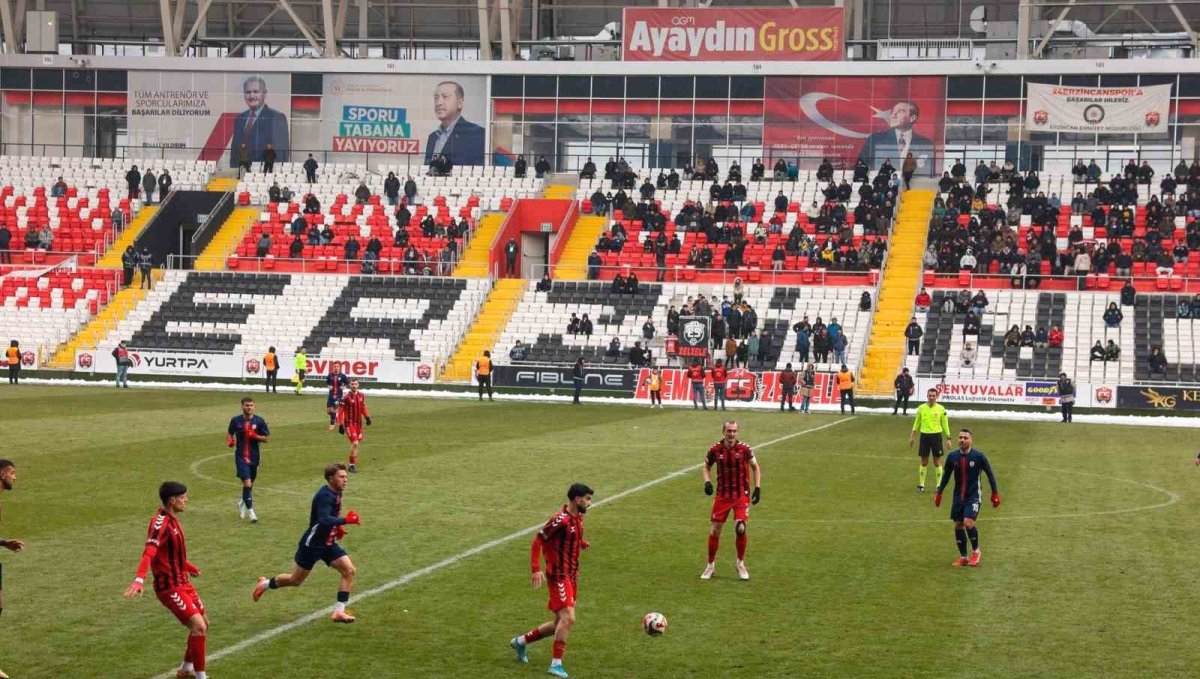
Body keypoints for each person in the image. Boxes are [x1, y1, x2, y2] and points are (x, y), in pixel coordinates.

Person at [252, 464, 361, 624]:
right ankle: (265, 583)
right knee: (295, 580)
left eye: (346, 477)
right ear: (331, 479)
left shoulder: (337, 492)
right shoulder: (325, 495)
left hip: (328, 544)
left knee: (349, 570)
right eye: (341, 477)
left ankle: (339, 612)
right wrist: (345, 520)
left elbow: (331, 515)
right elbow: (323, 519)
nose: (345, 480)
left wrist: (339, 527)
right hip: (313, 544)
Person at [123, 481, 208, 679]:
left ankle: (187, 668)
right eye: (183, 497)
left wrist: (188, 566)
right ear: (172, 500)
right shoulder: (159, 523)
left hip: (183, 582)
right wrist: (138, 580)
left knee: (204, 622)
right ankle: (201, 676)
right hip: (169, 587)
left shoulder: (173, 519)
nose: (186, 500)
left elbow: (170, 554)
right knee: (199, 627)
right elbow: (150, 552)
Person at [510, 483, 594, 678]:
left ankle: (520, 642)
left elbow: (573, 535)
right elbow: (538, 540)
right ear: (577, 499)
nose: (590, 503)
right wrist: (535, 569)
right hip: (558, 575)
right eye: (588, 499)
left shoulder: (578, 517)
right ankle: (556, 664)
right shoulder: (560, 520)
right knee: (569, 618)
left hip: (572, 575)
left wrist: (580, 543)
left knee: (559, 622)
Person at [701, 421, 761, 581]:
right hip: (722, 495)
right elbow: (706, 467)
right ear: (723, 431)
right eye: (729, 431)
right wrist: (707, 482)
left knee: (740, 528)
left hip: (741, 495)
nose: (731, 434)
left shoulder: (745, 449)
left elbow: (756, 467)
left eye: (734, 431)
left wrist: (757, 488)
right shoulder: (714, 449)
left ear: (737, 432)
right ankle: (710, 566)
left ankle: (740, 563)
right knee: (715, 530)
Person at [934, 429, 1000, 568]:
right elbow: (946, 476)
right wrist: (939, 492)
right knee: (958, 525)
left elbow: (990, 474)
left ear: (970, 440)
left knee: (968, 522)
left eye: (965, 438)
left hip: (974, 495)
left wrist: (995, 493)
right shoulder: (952, 457)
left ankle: (976, 552)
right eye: (960, 437)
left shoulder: (978, 456)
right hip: (958, 496)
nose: (962, 440)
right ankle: (963, 556)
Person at [229, 75, 289, 169]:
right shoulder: (239, 119)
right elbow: (234, 152)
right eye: (248, 92)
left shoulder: (277, 118)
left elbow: (281, 154)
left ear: (264, 94)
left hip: (264, 171)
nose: (252, 96)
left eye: (256, 92)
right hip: (240, 172)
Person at [228, 396, 269, 523]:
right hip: (240, 457)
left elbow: (266, 438)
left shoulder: (260, 421)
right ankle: (251, 513)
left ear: (254, 406)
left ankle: (242, 503)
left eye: (251, 405)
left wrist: (254, 435)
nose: (249, 407)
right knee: (247, 483)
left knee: (250, 484)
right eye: (246, 405)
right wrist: (230, 440)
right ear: (242, 406)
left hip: (254, 457)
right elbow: (230, 432)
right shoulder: (236, 420)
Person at [860, 100, 934, 171]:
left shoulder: (925, 143)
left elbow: (928, 170)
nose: (893, 115)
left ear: (912, 118)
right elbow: (861, 164)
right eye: (893, 111)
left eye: (900, 111)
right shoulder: (875, 140)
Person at [425, 81, 485, 166]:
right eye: (436, 98)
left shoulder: (477, 134)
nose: (438, 103)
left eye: (445, 97)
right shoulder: (433, 137)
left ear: (460, 103)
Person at [909, 388, 951, 492]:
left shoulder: (941, 409)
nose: (931, 397)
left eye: (933, 396)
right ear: (927, 396)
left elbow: (945, 424)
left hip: (936, 436)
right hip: (924, 436)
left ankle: (938, 486)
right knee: (924, 462)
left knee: (937, 462)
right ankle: (921, 485)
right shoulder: (921, 408)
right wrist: (912, 435)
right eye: (930, 395)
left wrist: (948, 438)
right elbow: (917, 422)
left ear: (936, 397)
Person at [336, 380, 371, 473]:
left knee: (356, 444)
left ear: (358, 385)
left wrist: (367, 417)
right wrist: (340, 424)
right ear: (349, 385)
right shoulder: (346, 397)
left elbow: (363, 407)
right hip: (349, 423)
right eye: (352, 384)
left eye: (355, 384)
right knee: (355, 443)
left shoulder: (361, 395)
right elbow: (340, 411)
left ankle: (352, 464)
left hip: (359, 424)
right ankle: (351, 465)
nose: (354, 386)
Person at [324, 363, 350, 431]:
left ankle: (332, 424)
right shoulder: (330, 375)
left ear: (339, 368)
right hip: (331, 395)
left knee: (333, 410)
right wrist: (329, 386)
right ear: (333, 367)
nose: (336, 368)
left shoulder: (342, 376)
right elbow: (327, 382)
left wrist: (344, 387)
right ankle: (335, 416)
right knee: (328, 412)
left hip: (338, 395)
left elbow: (347, 382)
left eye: (337, 367)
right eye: (335, 366)